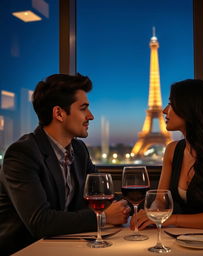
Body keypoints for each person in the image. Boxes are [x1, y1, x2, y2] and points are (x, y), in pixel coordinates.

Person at [0, 73, 130, 255]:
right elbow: (41, 222)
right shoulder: (22, 154)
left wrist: (128, 206)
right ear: (59, 113)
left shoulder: (78, 149)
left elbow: (103, 193)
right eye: (83, 108)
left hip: (67, 246)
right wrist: (104, 217)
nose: (91, 116)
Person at [131, 79, 203, 231]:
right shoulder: (172, 150)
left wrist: (171, 219)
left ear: (189, 109)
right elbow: (160, 200)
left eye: (171, 104)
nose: (164, 110)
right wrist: (152, 213)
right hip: (183, 238)